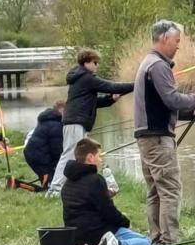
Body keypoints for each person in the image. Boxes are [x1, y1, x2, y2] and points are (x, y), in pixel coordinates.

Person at [134, 20, 195, 245]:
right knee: (170, 189)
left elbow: (164, 106)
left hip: (148, 137)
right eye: (177, 41)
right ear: (164, 38)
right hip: (158, 138)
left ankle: (158, 240)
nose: (178, 46)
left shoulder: (147, 63)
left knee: (155, 190)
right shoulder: (159, 65)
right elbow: (172, 99)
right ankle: (169, 242)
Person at [48, 49, 133, 196]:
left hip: (76, 122)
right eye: (95, 62)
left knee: (77, 156)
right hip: (75, 122)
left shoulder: (80, 78)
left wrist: (110, 99)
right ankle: (55, 189)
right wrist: (137, 84)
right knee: (69, 155)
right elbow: (111, 87)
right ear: (86, 62)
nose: (97, 66)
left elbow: (93, 102)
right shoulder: (87, 78)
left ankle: (71, 187)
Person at [61, 137, 151, 245]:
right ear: (90, 157)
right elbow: (108, 211)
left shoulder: (67, 184)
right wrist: (124, 222)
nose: (100, 160)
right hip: (98, 232)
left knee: (136, 236)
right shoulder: (95, 180)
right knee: (148, 242)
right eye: (99, 156)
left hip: (76, 236)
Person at [23, 100, 65, 188]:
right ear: (62, 111)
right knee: (49, 185)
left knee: (49, 181)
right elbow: (56, 149)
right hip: (39, 158)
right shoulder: (56, 125)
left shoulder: (47, 120)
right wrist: (60, 163)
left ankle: (45, 183)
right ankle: (19, 184)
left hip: (33, 154)